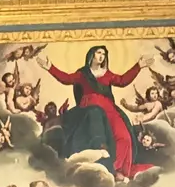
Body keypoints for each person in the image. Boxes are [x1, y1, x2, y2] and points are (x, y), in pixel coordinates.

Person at [45, 44, 152, 178]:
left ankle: (117, 169)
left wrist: (138, 66)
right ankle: (105, 166)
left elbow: (122, 80)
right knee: (97, 129)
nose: (101, 56)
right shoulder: (83, 74)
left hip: (109, 108)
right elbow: (67, 79)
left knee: (124, 136)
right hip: (90, 108)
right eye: (98, 53)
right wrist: (50, 67)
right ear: (92, 55)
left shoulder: (107, 74)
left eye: (103, 54)